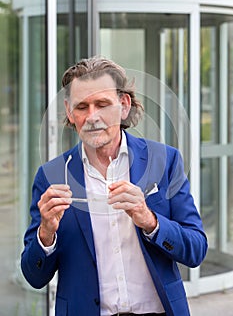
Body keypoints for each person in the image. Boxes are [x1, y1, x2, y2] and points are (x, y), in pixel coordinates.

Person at [21, 56, 208, 316]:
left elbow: (196, 249)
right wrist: (46, 234)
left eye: (102, 104)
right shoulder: (51, 176)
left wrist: (150, 221)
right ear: (68, 111)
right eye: (82, 106)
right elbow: (34, 276)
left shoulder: (165, 160)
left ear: (123, 105)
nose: (92, 116)